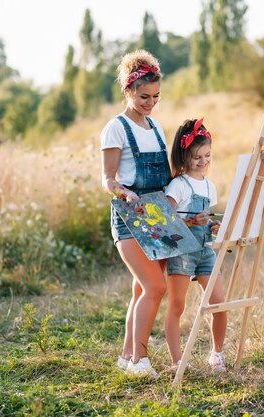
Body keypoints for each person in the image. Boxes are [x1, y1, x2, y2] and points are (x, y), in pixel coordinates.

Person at [100, 50, 170, 377]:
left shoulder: (156, 128)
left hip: (156, 217)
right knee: (155, 287)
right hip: (129, 217)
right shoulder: (115, 128)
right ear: (128, 90)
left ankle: (127, 358)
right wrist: (125, 192)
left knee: (141, 289)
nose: (150, 103)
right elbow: (108, 179)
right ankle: (142, 360)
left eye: (155, 96)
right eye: (144, 96)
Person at [164, 118, 227, 372]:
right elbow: (166, 222)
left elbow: (207, 219)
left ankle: (217, 354)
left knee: (219, 304)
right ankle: (178, 361)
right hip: (182, 251)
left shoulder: (210, 186)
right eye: (196, 156)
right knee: (177, 306)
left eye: (207, 155)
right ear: (184, 156)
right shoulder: (178, 185)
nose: (203, 161)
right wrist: (190, 221)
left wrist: (213, 226)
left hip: (204, 251)